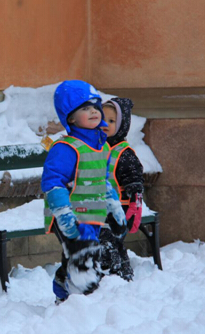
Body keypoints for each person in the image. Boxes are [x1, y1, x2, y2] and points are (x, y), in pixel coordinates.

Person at [42, 80, 127, 304]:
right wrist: (63, 214)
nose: (93, 111)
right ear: (70, 118)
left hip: (94, 214)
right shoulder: (66, 148)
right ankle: (81, 305)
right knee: (83, 260)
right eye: (84, 108)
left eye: (95, 106)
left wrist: (114, 207)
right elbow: (53, 183)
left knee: (88, 256)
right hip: (71, 215)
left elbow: (104, 181)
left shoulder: (103, 146)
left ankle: (65, 290)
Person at [101, 97, 144, 281]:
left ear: (121, 125)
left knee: (111, 241)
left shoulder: (124, 153)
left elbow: (134, 175)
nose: (105, 124)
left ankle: (120, 273)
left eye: (111, 121)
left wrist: (134, 194)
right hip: (100, 206)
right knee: (105, 241)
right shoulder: (97, 147)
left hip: (121, 207)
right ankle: (112, 272)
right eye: (102, 119)